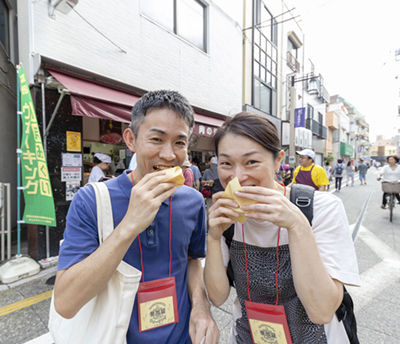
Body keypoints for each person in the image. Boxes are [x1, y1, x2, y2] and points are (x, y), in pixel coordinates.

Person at [54, 90, 219, 344]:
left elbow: (192, 259)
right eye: (156, 139)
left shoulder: (193, 201)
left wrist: (201, 306)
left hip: (182, 337)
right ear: (131, 140)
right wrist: (129, 224)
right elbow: (65, 303)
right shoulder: (90, 201)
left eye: (179, 143)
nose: (168, 154)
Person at [203, 112, 360, 343]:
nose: (238, 176)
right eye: (226, 163)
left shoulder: (323, 208)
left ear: (278, 160)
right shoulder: (228, 217)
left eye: (251, 162)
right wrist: (213, 237)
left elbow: (322, 311)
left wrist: (297, 224)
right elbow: (217, 297)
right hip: (248, 336)